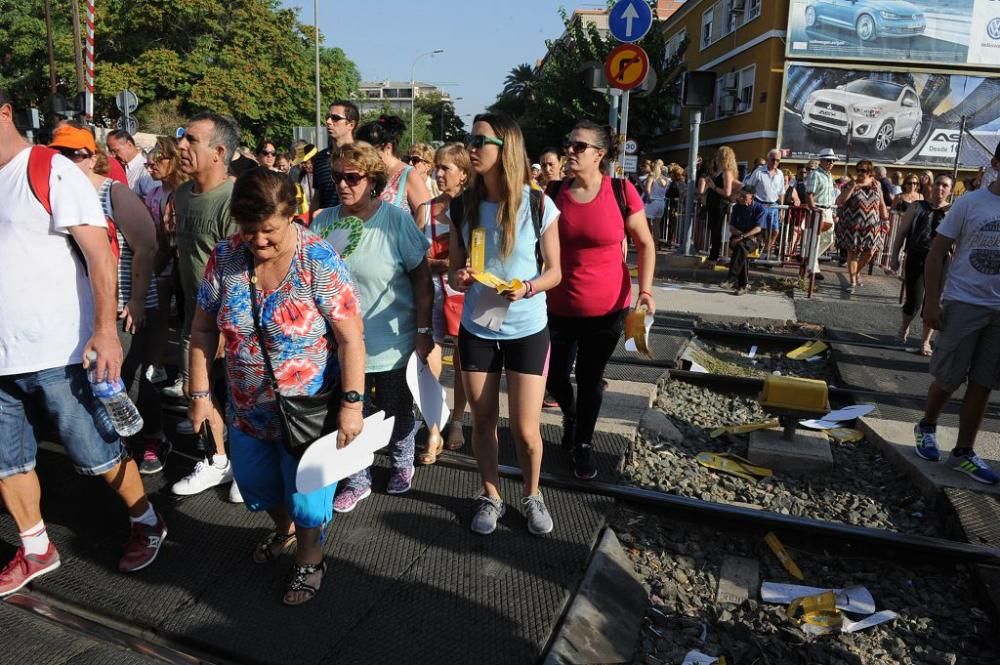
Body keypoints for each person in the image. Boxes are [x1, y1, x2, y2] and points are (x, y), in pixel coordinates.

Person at [0, 89, 165, 595]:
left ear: (4, 112)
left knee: (97, 453)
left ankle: (146, 519)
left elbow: (100, 254)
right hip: (2, 357)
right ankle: (35, 547)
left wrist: (104, 331)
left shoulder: (49, 168)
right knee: (7, 461)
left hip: (59, 351)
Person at [189, 168, 365, 605]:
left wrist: (352, 404)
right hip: (246, 407)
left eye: (268, 230)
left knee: (307, 496)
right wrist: (199, 398)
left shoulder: (318, 260)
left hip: (308, 409)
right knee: (255, 485)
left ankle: (310, 555)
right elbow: (202, 332)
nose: (258, 241)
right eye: (249, 230)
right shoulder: (226, 257)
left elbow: (351, 338)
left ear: (292, 214)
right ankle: (283, 527)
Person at [448, 113, 561, 536]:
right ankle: (491, 494)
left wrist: (528, 287)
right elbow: (456, 268)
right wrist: (457, 277)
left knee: (527, 431)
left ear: (505, 147)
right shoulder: (462, 204)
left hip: (527, 329)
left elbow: (555, 271)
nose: (471, 148)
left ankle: (533, 495)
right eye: (469, 139)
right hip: (477, 327)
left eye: (480, 140)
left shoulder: (537, 203)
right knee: (482, 422)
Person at [311, 142, 434, 512]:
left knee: (397, 409)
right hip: (340, 345)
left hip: (392, 342)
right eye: (337, 177)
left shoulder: (395, 220)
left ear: (373, 180)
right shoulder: (322, 221)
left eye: (352, 177)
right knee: (351, 412)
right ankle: (358, 477)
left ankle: (401, 460)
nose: (343, 185)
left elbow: (423, 281)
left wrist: (425, 333)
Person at [52, 127, 170, 476]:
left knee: (128, 380)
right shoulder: (55, 195)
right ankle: (118, 447)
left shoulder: (111, 192)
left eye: (76, 153)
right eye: (60, 153)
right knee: (99, 382)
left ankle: (152, 439)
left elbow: (147, 246)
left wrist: (135, 300)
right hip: (85, 308)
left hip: (125, 307)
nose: (68, 161)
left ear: (93, 156)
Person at [545, 120, 656, 480]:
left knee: (591, 378)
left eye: (579, 146)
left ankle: (583, 444)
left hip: (609, 308)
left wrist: (645, 291)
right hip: (557, 306)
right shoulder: (554, 192)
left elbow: (645, 244)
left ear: (599, 154)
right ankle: (572, 414)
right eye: (569, 144)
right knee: (555, 378)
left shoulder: (622, 192)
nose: (570, 152)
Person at [912, 146, 1000, 486]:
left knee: (984, 381)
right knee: (949, 377)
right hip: (964, 301)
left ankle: (964, 451)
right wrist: (932, 302)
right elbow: (936, 254)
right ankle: (928, 425)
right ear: (995, 164)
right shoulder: (970, 203)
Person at [169, 112, 241, 501]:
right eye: (181, 137)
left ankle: (246, 469)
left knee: (240, 399)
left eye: (190, 140)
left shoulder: (236, 200)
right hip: (194, 319)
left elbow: (246, 267)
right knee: (196, 391)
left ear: (218, 152)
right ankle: (217, 460)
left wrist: (224, 329)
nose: (181, 145)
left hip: (233, 324)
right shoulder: (181, 194)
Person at [413, 143, 472, 463]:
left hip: (464, 295)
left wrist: (446, 263)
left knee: (463, 361)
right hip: (432, 294)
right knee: (429, 358)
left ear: (463, 173)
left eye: (445, 167)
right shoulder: (427, 208)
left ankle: (458, 421)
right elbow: (419, 258)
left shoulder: (474, 208)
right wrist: (444, 264)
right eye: (436, 166)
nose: (438, 172)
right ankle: (434, 426)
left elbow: (474, 259)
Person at [144, 137, 190, 389]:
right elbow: (163, 239)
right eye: (147, 164)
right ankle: (158, 366)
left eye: (155, 162)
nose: (150, 168)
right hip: (170, 262)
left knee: (190, 324)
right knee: (160, 315)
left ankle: (189, 380)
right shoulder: (155, 194)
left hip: (192, 266)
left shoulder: (189, 190)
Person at [890, 175, 953, 354]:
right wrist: (894, 256)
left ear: (950, 190)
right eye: (938, 184)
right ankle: (904, 328)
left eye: (945, 185)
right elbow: (902, 232)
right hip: (917, 256)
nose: (940, 188)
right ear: (933, 186)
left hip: (941, 260)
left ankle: (925, 341)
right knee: (914, 299)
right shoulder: (917, 207)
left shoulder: (953, 211)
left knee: (933, 300)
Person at [356, 115, 432, 221]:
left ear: (388, 147)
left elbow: (426, 216)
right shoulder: (365, 173)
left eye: (368, 150)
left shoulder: (408, 174)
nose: (364, 156)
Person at [837, 160, 888, 294]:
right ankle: (853, 281)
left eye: (863, 171)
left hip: (872, 226)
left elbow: (881, 204)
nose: (860, 173)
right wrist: (853, 187)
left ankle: (856, 272)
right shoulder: (850, 184)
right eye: (858, 170)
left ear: (870, 172)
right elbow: (840, 201)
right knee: (852, 253)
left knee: (870, 252)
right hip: (852, 226)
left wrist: (886, 220)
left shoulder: (877, 184)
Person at [312, 100, 359, 211]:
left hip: (356, 224)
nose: (328, 121)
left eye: (335, 118)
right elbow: (317, 197)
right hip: (326, 225)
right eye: (327, 117)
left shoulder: (363, 157)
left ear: (351, 125)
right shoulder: (319, 158)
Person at [721, 186, 765, 295]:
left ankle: (732, 278)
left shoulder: (759, 208)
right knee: (742, 250)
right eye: (740, 195)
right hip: (740, 237)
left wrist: (742, 237)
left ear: (752, 197)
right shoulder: (737, 207)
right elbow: (731, 227)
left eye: (744, 196)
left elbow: (758, 228)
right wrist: (743, 235)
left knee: (741, 247)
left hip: (754, 240)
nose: (740, 198)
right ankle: (742, 285)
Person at [743, 149, 785, 259]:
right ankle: (751, 253)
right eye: (773, 159)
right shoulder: (759, 172)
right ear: (768, 159)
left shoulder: (780, 174)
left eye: (778, 160)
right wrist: (749, 201)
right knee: (758, 230)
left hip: (774, 205)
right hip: (760, 204)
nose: (775, 162)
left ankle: (765, 253)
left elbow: (781, 192)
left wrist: (781, 209)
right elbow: (749, 187)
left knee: (775, 231)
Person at [805, 148, 838, 281]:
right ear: (822, 161)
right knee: (817, 239)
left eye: (833, 161)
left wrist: (833, 211)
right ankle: (813, 268)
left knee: (829, 239)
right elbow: (809, 194)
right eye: (828, 160)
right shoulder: (815, 174)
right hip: (819, 209)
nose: (831, 163)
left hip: (828, 209)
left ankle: (810, 260)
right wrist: (814, 208)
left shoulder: (829, 175)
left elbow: (830, 196)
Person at [704, 146, 738, 262]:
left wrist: (713, 187)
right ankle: (713, 254)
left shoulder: (727, 172)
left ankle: (714, 255)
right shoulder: (722, 171)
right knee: (714, 229)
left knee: (716, 230)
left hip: (719, 204)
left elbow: (727, 192)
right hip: (714, 204)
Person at [106, 129, 156, 197]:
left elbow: (151, 202)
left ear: (129, 145)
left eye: (116, 151)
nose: (113, 155)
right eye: (111, 152)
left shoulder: (146, 171)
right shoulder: (118, 167)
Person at [643, 159, 669, 247]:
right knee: (657, 225)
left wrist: (648, 197)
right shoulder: (665, 179)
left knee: (646, 223)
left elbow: (647, 189)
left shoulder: (652, 176)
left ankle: (648, 244)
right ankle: (655, 244)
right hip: (661, 203)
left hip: (652, 201)